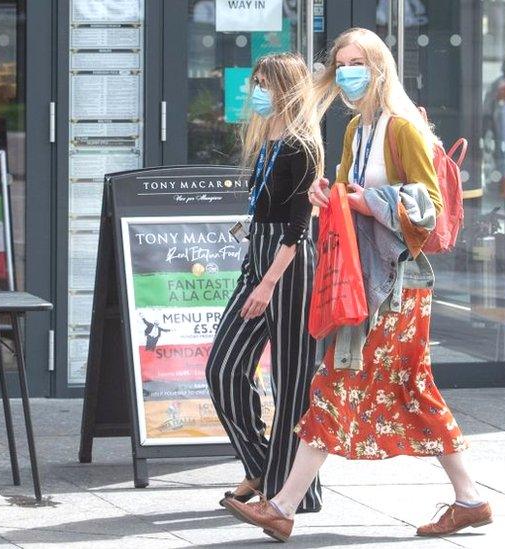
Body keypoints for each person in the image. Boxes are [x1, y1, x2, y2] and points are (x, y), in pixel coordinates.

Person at [222, 28, 492, 542]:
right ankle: (471, 501)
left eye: (357, 62)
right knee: (413, 389)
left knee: (335, 381)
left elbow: (426, 208)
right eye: (341, 62)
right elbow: (347, 193)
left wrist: (363, 200)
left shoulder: (402, 128)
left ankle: (281, 506)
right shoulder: (354, 129)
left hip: (395, 282)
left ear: (380, 68)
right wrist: (329, 194)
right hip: (371, 278)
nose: (346, 71)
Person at [204, 52, 324, 515]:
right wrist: (255, 275)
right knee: (223, 367)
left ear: (286, 89)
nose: (255, 90)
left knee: (291, 379)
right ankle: (261, 468)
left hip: (288, 266)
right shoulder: (268, 139)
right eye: (254, 81)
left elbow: (298, 225)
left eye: (265, 83)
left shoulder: (301, 145)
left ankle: (295, 491)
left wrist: (269, 282)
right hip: (257, 258)